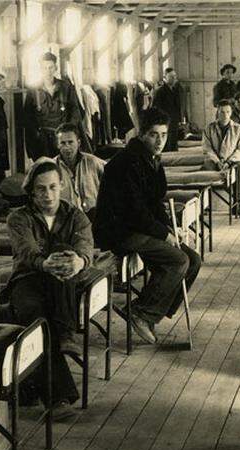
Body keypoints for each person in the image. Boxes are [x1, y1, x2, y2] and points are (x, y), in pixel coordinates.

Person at [94, 108, 201, 345]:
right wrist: (164, 235)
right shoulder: (127, 162)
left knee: (193, 260)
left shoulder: (152, 159)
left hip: (138, 227)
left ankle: (153, 313)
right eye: (154, 134)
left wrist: (172, 231)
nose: (160, 140)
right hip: (118, 231)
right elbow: (135, 212)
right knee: (178, 260)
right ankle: (142, 312)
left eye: (163, 134)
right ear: (142, 134)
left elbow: (154, 204)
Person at [5, 159, 94, 415]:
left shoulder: (76, 216)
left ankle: (36, 390)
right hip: (28, 280)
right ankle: (57, 395)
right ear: (32, 191)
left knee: (64, 251)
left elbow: (85, 246)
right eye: (41, 189)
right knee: (36, 317)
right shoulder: (18, 218)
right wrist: (46, 263)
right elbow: (27, 253)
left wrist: (79, 261)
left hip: (65, 283)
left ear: (62, 186)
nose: (48, 194)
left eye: (53, 187)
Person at [22, 52, 83, 160]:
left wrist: (68, 132)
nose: (48, 71)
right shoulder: (33, 90)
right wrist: (34, 138)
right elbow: (27, 117)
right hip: (42, 141)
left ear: (56, 68)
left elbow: (76, 111)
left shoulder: (66, 87)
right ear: (41, 69)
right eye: (45, 68)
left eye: (50, 67)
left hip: (62, 139)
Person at [202, 98, 240, 219]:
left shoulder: (238, 129)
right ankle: (205, 204)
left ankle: (239, 202)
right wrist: (217, 161)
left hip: (232, 161)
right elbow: (207, 149)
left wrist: (229, 161)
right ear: (217, 112)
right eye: (222, 112)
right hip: (216, 161)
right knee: (206, 167)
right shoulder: (209, 128)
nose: (225, 115)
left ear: (231, 112)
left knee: (239, 168)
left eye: (227, 112)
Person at [55, 122, 106, 217]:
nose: (67, 147)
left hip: (93, 218)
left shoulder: (93, 162)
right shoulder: (52, 167)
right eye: (63, 143)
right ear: (58, 145)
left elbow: (113, 177)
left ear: (78, 143)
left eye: (70, 142)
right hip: (66, 221)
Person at [152, 68, 186, 152]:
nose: (174, 78)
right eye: (171, 77)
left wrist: (181, 119)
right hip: (165, 122)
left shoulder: (175, 90)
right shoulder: (160, 91)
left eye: (174, 76)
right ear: (165, 77)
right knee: (166, 144)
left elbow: (178, 106)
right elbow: (156, 108)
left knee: (174, 143)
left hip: (174, 121)